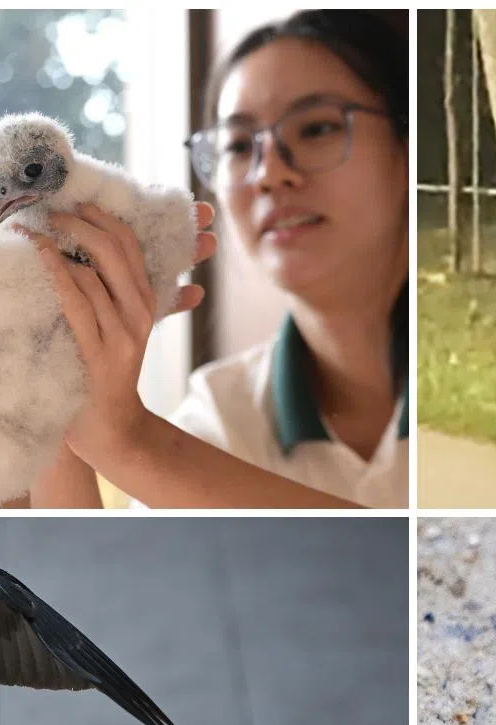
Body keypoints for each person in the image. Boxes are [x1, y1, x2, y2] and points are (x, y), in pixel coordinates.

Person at [28, 8, 409, 508]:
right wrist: (55, 386)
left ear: (408, 145)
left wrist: (130, 439)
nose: (270, 174)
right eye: (236, 146)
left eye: (316, 129)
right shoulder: (221, 416)